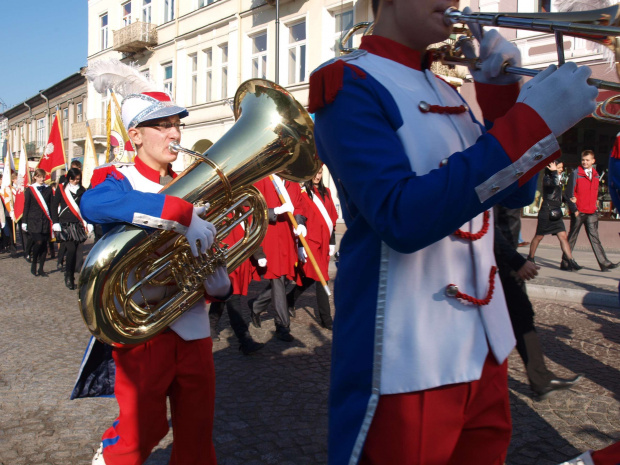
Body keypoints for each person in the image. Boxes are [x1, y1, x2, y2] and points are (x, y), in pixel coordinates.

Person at [307, 0, 597, 462]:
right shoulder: (349, 83)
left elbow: (513, 197)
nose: (454, 3)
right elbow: (400, 217)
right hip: (406, 349)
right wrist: (529, 122)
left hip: (485, 345)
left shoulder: (453, 91)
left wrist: (502, 97)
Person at [79, 88, 231, 465]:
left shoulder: (195, 181)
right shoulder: (117, 177)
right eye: (162, 126)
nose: (175, 135)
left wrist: (217, 278)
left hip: (194, 327)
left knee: (197, 438)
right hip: (143, 331)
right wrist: (179, 211)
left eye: (177, 126)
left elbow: (208, 245)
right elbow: (94, 204)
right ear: (135, 135)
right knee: (142, 432)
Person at [494, 205, 581, 399]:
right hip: (498, 264)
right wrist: (517, 261)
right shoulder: (499, 177)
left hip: (506, 262)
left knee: (522, 316)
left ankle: (541, 379)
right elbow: (488, 228)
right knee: (514, 318)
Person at [248, 175, 307, 342]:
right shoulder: (262, 180)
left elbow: (299, 207)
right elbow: (253, 210)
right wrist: (275, 211)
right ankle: (282, 325)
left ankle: (256, 305)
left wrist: (301, 222)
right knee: (278, 279)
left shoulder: (293, 182)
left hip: (288, 238)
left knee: (287, 279)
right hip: (271, 237)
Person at [286, 165, 338, 330]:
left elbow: (332, 220)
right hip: (310, 242)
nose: (317, 175)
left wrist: (332, 241)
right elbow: (300, 219)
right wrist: (300, 245)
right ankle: (326, 319)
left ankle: (289, 299)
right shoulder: (303, 193)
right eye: (315, 172)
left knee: (310, 277)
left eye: (320, 172)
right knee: (323, 278)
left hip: (323, 243)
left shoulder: (327, 192)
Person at [209, 212, 266, 355]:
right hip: (223, 263)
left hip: (239, 262)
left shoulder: (242, 211)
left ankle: (210, 327)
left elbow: (250, 234)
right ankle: (245, 340)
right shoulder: (216, 214)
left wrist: (259, 255)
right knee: (233, 300)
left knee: (222, 298)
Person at [561, 149, 618, 272]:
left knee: (595, 238)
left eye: (587, 160)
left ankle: (604, 263)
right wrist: (574, 210)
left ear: (593, 161)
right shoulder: (576, 173)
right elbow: (568, 194)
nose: (585, 162)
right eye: (583, 160)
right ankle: (565, 263)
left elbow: (594, 192)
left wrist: (595, 205)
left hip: (591, 211)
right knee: (572, 238)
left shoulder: (597, 175)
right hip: (579, 211)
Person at [528, 161, 582, 270]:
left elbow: (557, 195)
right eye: (559, 167)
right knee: (539, 236)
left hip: (556, 212)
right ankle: (530, 258)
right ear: (551, 168)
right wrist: (554, 172)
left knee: (563, 237)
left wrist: (568, 200)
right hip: (547, 212)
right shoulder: (547, 178)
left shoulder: (555, 177)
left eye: (561, 167)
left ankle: (571, 261)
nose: (561, 169)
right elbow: (553, 185)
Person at [51, 168, 90, 290]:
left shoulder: (82, 190)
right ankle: (69, 275)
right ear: (70, 178)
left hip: (77, 224)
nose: (76, 181)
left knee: (76, 250)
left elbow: (84, 207)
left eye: (78, 179)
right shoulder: (62, 189)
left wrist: (88, 223)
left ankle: (71, 273)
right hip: (65, 223)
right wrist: (55, 221)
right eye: (74, 179)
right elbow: (53, 205)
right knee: (71, 249)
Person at [22, 168, 53, 277]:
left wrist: (54, 221)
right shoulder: (30, 190)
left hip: (45, 220)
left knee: (44, 245)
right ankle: (34, 262)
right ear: (35, 177)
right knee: (38, 242)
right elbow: (26, 206)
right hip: (33, 220)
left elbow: (51, 206)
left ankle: (41, 269)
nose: (42, 179)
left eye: (43, 177)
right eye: (39, 177)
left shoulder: (48, 189)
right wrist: (24, 221)